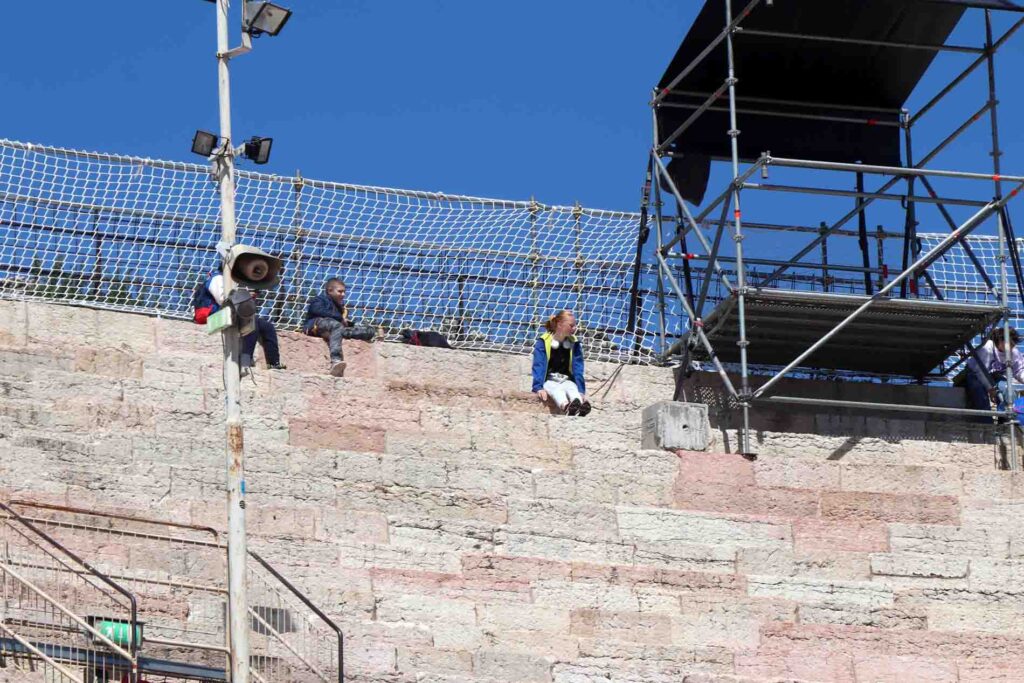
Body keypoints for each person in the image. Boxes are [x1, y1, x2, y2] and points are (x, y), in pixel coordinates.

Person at [193, 270, 285, 370]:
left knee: (267, 326)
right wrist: (244, 297)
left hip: (224, 314)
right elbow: (223, 299)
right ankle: (245, 360)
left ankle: (274, 363)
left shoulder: (230, 281)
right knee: (251, 321)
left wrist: (246, 297)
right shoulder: (217, 278)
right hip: (210, 317)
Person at [303, 278, 377, 376]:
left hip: (337, 329)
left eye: (344, 292)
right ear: (330, 290)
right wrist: (339, 318)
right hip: (317, 325)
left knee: (369, 330)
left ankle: (368, 333)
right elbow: (316, 310)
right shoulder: (320, 299)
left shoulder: (341, 309)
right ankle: (336, 360)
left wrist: (353, 324)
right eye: (340, 291)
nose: (343, 295)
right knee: (336, 325)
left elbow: (343, 322)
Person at [531, 310, 591, 416]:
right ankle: (566, 406)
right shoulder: (544, 341)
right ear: (559, 324)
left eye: (575, 325)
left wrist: (581, 391)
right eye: (571, 325)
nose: (575, 328)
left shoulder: (574, 343)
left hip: (566, 380)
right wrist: (538, 387)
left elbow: (578, 367)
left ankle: (580, 406)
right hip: (549, 381)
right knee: (556, 390)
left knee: (572, 388)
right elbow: (539, 365)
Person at [966, 327, 1024, 420]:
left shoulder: (1014, 352)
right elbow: (980, 371)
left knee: (1009, 391)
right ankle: (986, 423)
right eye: (1009, 344)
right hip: (975, 375)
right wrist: (990, 388)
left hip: (995, 377)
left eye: (1013, 345)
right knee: (980, 394)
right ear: (1000, 340)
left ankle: (1006, 421)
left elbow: (1019, 370)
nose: (1011, 347)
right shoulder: (987, 347)